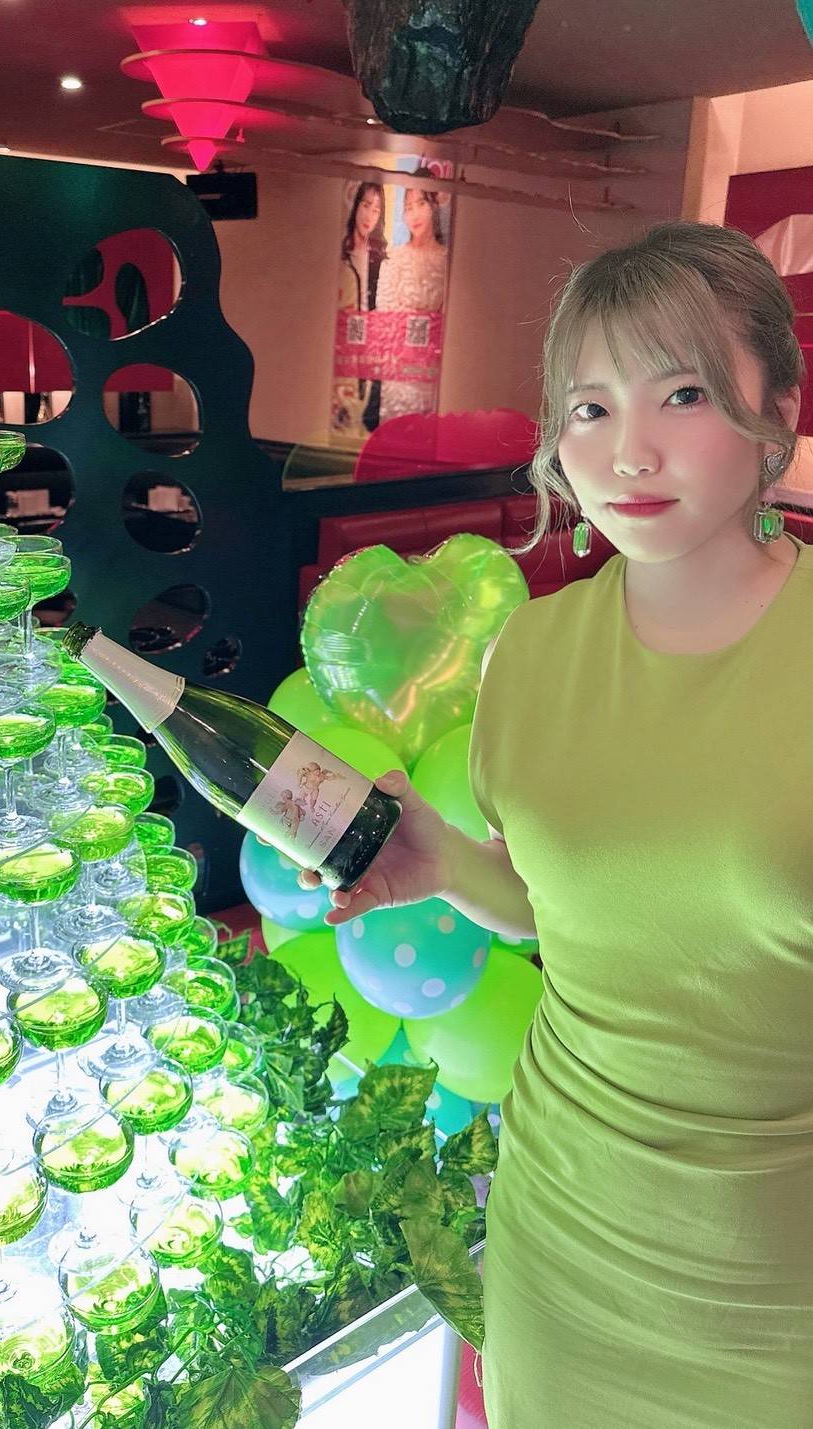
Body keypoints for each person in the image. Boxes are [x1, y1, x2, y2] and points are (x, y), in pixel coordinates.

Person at [298, 219, 813, 1427]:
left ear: (775, 412)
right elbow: (575, 916)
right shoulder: (530, 655)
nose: (626, 450)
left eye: (681, 394)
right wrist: (441, 863)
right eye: (588, 408)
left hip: (775, 1285)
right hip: (564, 1240)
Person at [374, 184, 448, 424]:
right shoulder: (394, 258)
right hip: (399, 369)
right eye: (408, 208)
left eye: (421, 204)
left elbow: (449, 320)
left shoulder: (447, 259)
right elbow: (385, 316)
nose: (414, 214)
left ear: (434, 206)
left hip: (433, 370)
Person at [335, 181, 387, 435]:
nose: (369, 216)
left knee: (368, 407)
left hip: (370, 344)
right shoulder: (339, 255)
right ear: (355, 205)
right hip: (343, 342)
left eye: (376, 210)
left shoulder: (380, 258)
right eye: (366, 206)